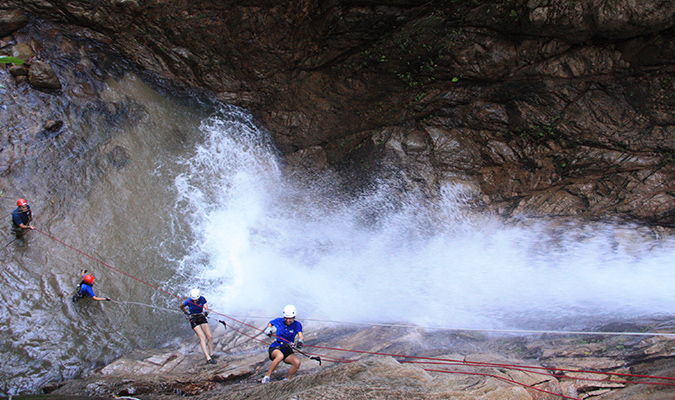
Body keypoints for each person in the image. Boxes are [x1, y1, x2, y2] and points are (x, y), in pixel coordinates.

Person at [261, 304, 304, 383]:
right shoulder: (279, 321)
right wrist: (269, 328)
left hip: (287, 348)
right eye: (286, 318)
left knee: (297, 362)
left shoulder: (297, 325)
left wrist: (300, 341)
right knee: (280, 356)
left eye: (290, 319)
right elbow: (270, 323)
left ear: (294, 317)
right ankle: (267, 377)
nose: (288, 320)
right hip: (276, 346)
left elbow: (300, 334)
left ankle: (286, 380)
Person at [180, 288, 217, 365]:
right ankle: (208, 358)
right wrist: (186, 313)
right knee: (202, 337)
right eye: (194, 299)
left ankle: (211, 354)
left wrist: (206, 312)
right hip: (193, 319)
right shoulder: (188, 301)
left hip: (201, 317)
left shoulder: (202, 299)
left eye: (196, 299)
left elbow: (206, 307)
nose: (195, 301)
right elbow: (181, 306)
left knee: (209, 337)